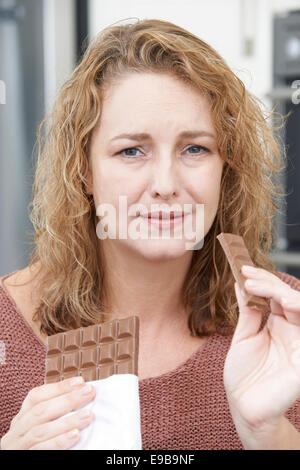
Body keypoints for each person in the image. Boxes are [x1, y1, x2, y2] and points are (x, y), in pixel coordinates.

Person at [1, 18, 300, 450]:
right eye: (131, 151)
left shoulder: (287, 324)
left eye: (194, 148)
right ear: (83, 170)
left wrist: (267, 433)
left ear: (226, 167)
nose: (165, 183)